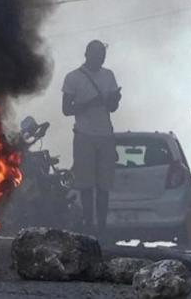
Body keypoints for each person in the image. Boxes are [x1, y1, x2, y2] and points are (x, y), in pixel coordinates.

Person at [62, 40, 121, 237]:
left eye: (103, 55)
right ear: (87, 54)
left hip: (105, 134)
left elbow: (112, 108)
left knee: (104, 185)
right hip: (84, 135)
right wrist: (89, 103)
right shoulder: (73, 78)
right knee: (86, 184)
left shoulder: (108, 75)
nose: (100, 59)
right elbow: (66, 109)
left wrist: (114, 99)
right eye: (97, 55)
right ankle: (88, 226)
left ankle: (101, 227)